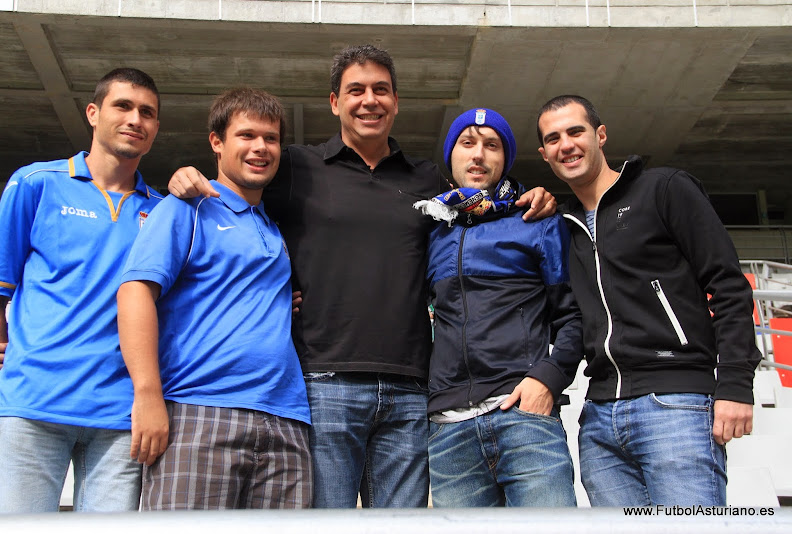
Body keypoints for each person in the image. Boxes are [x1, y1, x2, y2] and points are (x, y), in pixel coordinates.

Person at [168, 45, 556, 508]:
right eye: (356, 90)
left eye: (381, 90)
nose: (369, 100)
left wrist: (532, 195)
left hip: (412, 389)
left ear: (395, 102)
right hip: (323, 381)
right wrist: (184, 176)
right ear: (335, 102)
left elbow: (483, 204)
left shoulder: (428, 179)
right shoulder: (294, 166)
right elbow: (236, 178)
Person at [536, 95, 762, 506]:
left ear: (600, 135)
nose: (565, 144)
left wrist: (735, 384)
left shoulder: (665, 189)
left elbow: (728, 286)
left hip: (676, 403)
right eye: (553, 138)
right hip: (600, 419)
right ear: (545, 154)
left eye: (575, 131)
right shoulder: (561, 227)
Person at [117, 88, 311, 510]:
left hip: (288, 420)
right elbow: (134, 293)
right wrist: (147, 394)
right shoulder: (186, 208)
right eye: (246, 135)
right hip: (199, 413)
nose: (260, 147)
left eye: (271, 138)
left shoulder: (276, 229)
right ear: (217, 143)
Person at [0, 68, 162, 513]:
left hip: (121, 417)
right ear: (93, 113)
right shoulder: (36, 183)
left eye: (147, 112)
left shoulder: (162, 212)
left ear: (156, 128)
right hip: (33, 403)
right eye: (122, 106)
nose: (135, 119)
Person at [415, 108, 582, 507]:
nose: (478, 155)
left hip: (523, 417)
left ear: (505, 159)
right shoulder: (432, 228)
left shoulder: (537, 220)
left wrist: (548, 379)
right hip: (449, 428)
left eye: (492, 145)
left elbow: (573, 316)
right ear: (450, 154)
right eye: (467, 143)